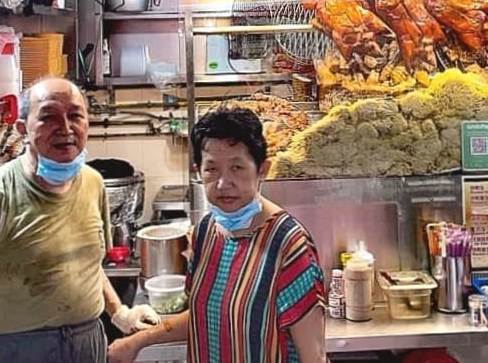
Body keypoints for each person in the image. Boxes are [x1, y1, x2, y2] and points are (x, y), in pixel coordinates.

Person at [0, 76, 157, 363]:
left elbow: (87, 266)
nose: (66, 128)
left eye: (75, 116)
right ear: (23, 129)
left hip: (86, 343)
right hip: (15, 350)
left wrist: (119, 312)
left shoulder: (93, 184)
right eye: (49, 117)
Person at [107, 105, 327, 363]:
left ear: (262, 169)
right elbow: (206, 315)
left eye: (237, 168)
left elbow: (314, 356)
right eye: (212, 169)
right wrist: (138, 340)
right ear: (198, 171)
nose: (223, 183)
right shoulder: (205, 232)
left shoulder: (288, 245)